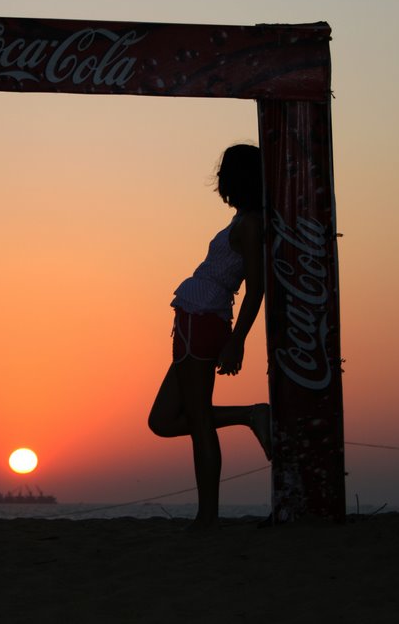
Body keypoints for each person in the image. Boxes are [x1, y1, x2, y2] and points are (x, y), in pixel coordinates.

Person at [147, 143, 272, 529]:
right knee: (163, 420)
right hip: (193, 320)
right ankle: (249, 415)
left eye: (224, 173)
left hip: (204, 320)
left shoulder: (250, 224)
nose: (220, 180)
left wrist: (237, 340)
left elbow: (256, 287)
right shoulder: (241, 222)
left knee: (199, 421)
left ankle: (207, 517)